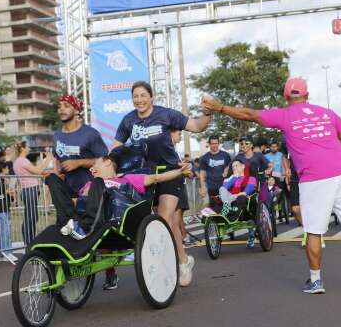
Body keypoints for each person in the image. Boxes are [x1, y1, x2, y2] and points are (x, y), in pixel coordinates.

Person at [203, 77, 341, 294]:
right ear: (307, 95)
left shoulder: (284, 115)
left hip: (313, 179)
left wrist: (220, 108)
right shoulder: (327, 113)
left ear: (286, 97)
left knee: (314, 231)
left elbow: (249, 114)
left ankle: (316, 281)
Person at [113, 81, 211, 287]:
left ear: (151, 97)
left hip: (171, 172)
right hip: (146, 176)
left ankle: (163, 264)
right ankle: (184, 260)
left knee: (163, 219)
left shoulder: (166, 115)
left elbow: (196, 126)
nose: (139, 100)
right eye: (135, 96)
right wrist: (108, 165)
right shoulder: (128, 121)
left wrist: (208, 112)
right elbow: (116, 148)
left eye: (143, 95)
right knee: (170, 224)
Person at [50, 150, 193, 239]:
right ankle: (65, 225)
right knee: (52, 179)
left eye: (95, 165)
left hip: (112, 221)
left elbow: (157, 178)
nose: (91, 170)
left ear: (107, 162)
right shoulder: (91, 184)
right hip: (82, 216)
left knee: (98, 182)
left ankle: (85, 227)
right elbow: (77, 203)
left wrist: (180, 172)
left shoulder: (127, 179)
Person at [51, 94, 114, 289]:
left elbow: (103, 160)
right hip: (68, 193)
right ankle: (64, 273)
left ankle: (111, 273)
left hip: (90, 191)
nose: (61, 109)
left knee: (98, 235)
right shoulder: (57, 135)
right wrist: (57, 174)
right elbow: (56, 159)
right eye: (59, 106)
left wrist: (78, 162)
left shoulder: (90, 134)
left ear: (77, 110)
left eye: (66, 106)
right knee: (65, 231)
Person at [14, 142, 49, 245]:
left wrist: (43, 161)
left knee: (32, 217)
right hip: (29, 190)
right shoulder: (22, 161)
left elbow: (36, 171)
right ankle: (29, 242)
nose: (29, 148)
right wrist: (48, 159)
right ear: (23, 149)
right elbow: (38, 171)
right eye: (28, 147)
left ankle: (30, 241)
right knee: (30, 217)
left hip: (29, 190)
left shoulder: (19, 161)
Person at [218, 160, 258, 247]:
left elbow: (249, 189)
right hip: (230, 199)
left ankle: (251, 234)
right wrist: (234, 177)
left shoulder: (251, 178)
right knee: (221, 189)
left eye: (236, 165)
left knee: (242, 197)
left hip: (244, 200)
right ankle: (226, 208)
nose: (234, 168)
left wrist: (241, 193)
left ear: (243, 166)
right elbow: (224, 188)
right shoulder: (230, 178)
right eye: (233, 167)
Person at [0, 162, 16, 261]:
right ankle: (5, 253)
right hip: (0, 209)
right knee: (4, 230)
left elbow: (8, 195)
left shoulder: (5, 180)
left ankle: (4, 252)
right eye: (6, 168)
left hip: (6, 208)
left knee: (7, 230)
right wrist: (4, 194)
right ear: (2, 169)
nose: (8, 169)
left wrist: (11, 195)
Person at [198, 135, 231, 205]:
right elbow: (202, 173)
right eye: (212, 144)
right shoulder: (205, 157)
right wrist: (203, 186)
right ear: (209, 144)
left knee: (224, 207)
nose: (214, 145)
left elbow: (230, 167)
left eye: (216, 143)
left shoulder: (226, 155)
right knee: (211, 208)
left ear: (218, 144)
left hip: (224, 187)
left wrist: (227, 171)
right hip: (210, 187)